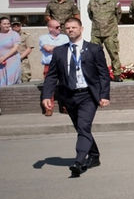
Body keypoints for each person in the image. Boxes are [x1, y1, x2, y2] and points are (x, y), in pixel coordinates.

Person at [41, 17, 110, 176]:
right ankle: (94, 156)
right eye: (68, 28)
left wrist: (104, 95)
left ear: (81, 29)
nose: (71, 30)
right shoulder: (59, 51)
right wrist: (47, 95)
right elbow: (52, 76)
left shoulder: (94, 49)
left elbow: (103, 74)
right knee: (81, 128)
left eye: (74, 27)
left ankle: (78, 161)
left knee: (84, 127)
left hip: (88, 95)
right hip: (69, 96)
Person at [86, 0, 124, 82]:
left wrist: (111, 24)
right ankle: (97, 75)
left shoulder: (114, 0)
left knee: (113, 53)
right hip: (96, 33)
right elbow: (90, 15)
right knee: (94, 54)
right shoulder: (92, 2)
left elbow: (118, 15)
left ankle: (117, 74)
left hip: (110, 32)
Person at [12, 18, 36, 83]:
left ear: (21, 25)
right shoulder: (8, 36)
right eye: (14, 25)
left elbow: (29, 49)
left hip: (22, 61)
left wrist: (18, 58)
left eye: (18, 25)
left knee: (25, 79)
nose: (16, 26)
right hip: (10, 61)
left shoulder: (26, 35)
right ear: (11, 26)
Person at [0, 16, 22, 85]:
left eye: (8, 24)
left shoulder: (14, 34)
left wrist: (4, 57)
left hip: (12, 61)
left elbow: (15, 48)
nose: (7, 25)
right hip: (1, 62)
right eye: (4, 24)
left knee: (11, 82)